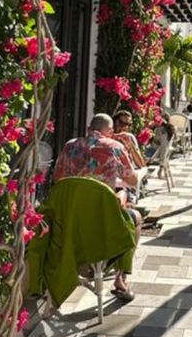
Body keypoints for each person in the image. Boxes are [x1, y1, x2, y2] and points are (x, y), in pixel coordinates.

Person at [53, 112, 140, 299]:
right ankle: (120, 280)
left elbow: (57, 179)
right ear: (109, 131)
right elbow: (132, 180)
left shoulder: (70, 146)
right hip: (101, 220)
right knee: (135, 218)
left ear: (89, 129)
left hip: (71, 218)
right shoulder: (115, 147)